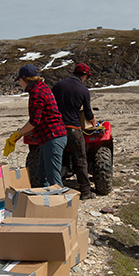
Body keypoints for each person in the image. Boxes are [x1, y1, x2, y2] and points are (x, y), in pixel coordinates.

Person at [5, 64, 68, 188]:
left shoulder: (37, 93)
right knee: (41, 174)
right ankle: (43, 202)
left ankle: (61, 204)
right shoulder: (41, 88)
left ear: (26, 79)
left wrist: (16, 135)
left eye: (20, 81)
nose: (20, 84)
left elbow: (34, 122)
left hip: (53, 137)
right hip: (49, 138)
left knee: (53, 178)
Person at [51, 63, 97, 200]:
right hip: (73, 129)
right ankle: (85, 191)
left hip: (56, 127)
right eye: (87, 77)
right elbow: (88, 113)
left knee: (55, 158)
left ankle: (53, 189)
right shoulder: (83, 90)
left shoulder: (58, 85)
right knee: (80, 159)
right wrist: (93, 120)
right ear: (84, 76)